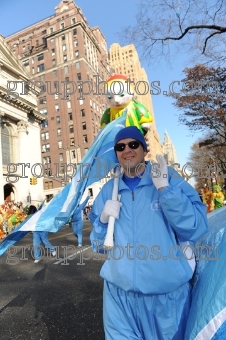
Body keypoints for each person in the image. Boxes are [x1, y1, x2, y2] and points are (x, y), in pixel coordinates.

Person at [89, 126, 209, 340]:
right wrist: (102, 220)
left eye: (133, 144)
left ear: (144, 149)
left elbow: (196, 227)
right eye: (120, 146)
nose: (127, 150)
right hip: (119, 298)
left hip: (167, 299)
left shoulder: (169, 178)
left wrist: (166, 191)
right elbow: (99, 245)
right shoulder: (109, 190)